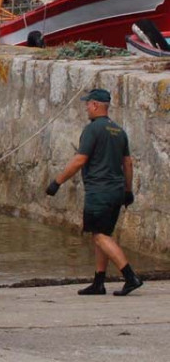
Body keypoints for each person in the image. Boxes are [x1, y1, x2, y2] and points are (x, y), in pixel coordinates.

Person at [46, 88, 143, 297]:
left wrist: (57, 182)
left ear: (96, 105)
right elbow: (128, 163)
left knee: (99, 236)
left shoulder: (93, 130)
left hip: (99, 191)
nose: (86, 108)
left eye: (87, 104)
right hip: (116, 190)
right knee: (102, 235)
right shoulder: (118, 130)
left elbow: (80, 160)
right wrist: (128, 190)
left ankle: (130, 276)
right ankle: (99, 283)